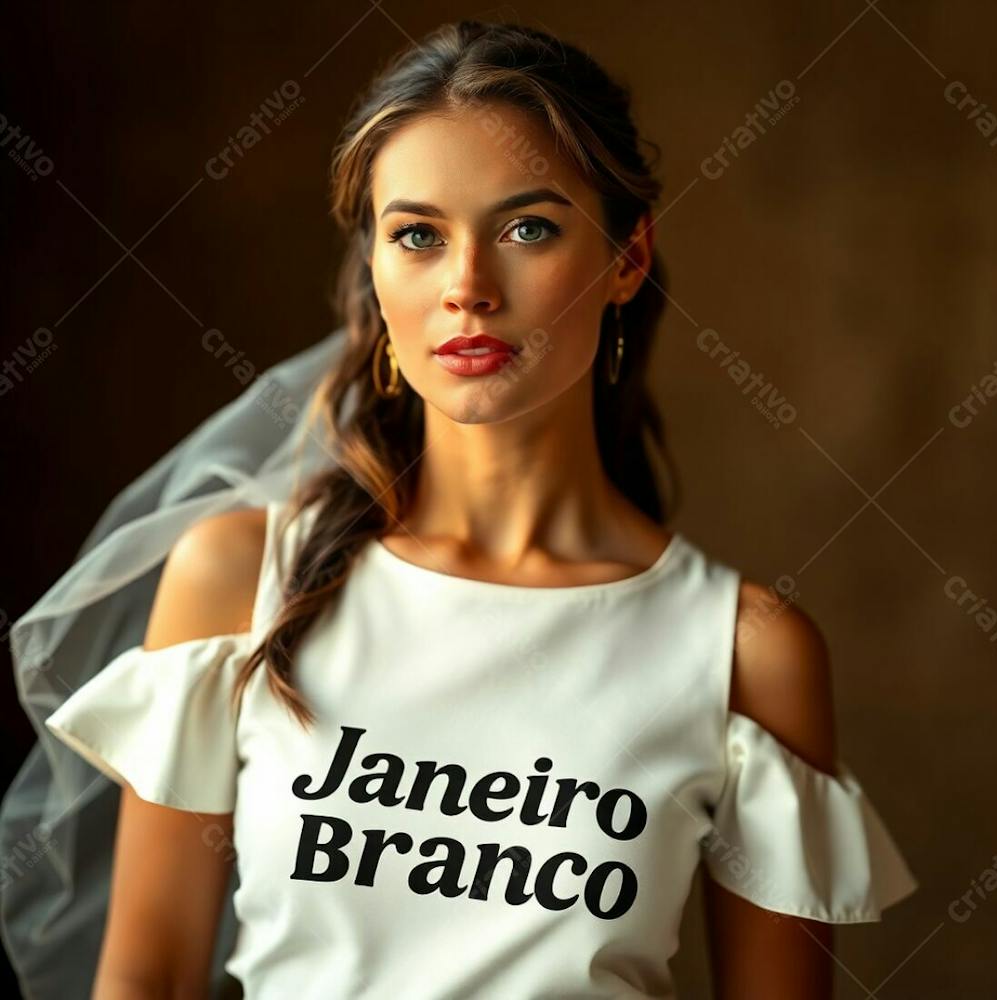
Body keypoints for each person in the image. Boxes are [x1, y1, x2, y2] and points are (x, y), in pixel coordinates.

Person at [3, 19, 918, 1000]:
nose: (468, 288)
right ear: (376, 267)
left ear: (625, 256)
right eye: (418, 235)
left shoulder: (745, 651)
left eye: (529, 227)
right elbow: (145, 983)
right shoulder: (236, 579)